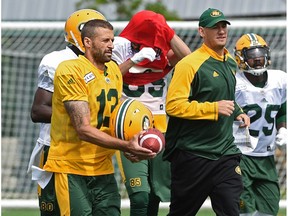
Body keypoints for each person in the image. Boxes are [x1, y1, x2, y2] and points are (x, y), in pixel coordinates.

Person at [43, 19, 155, 216]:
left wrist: (130, 140)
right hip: (71, 167)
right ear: (87, 42)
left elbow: (115, 118)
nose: (111, 45)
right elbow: (83, 129)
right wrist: (125, 146)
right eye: (105, 40)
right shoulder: (70, 70)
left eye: (112, 40)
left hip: (102, 167)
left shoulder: (113, 70)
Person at [162, 8, 250, 216]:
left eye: (223, 26)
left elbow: (224, 95)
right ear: (202, 32)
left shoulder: (229, 62)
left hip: (225, 154)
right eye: (214, 27)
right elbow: (173, 105)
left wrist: (238, 111)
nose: (221, 31)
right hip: (193, 154)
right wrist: (213, 109)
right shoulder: (188, 65)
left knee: (231, 209)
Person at [27, 9, 107, 216]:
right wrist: (79, 117)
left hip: (93, 153)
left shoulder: (106, 64)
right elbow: (38, 111)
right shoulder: (57, 60)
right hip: (57, 151)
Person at [111, 10, 191, 216]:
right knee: (140, 195)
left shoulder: (163, 49)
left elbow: (190, 60)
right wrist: (134, 60)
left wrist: (166, 31)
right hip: (129, 126)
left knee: (155, 192)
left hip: (159, 126)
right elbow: (107, 78)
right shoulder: (120, 46)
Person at [234, 33, 287, 216]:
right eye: (251, 54)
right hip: (241, 155)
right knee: (244, 209)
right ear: (241, 58)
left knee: (270, 209)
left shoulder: (279, 80)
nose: (257, 58)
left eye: (260, 53)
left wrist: (282, 129)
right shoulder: (234, 82)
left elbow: (282, 108)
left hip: (266, 155)